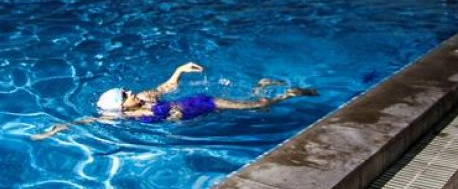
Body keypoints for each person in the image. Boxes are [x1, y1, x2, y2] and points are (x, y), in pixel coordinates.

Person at [31, 62, 317, 140]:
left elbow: (166, 87)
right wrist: (54, 129)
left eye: (127, 90)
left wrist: (179, 69)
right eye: (125, 95)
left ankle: (285, 93)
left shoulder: (143, 97)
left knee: (260, 107)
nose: (131, 92)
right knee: (256, 108)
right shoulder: (121, 117)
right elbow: (84, 121)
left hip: (206, 104)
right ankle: (262, 87)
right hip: (195, 115)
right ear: (120, 107)